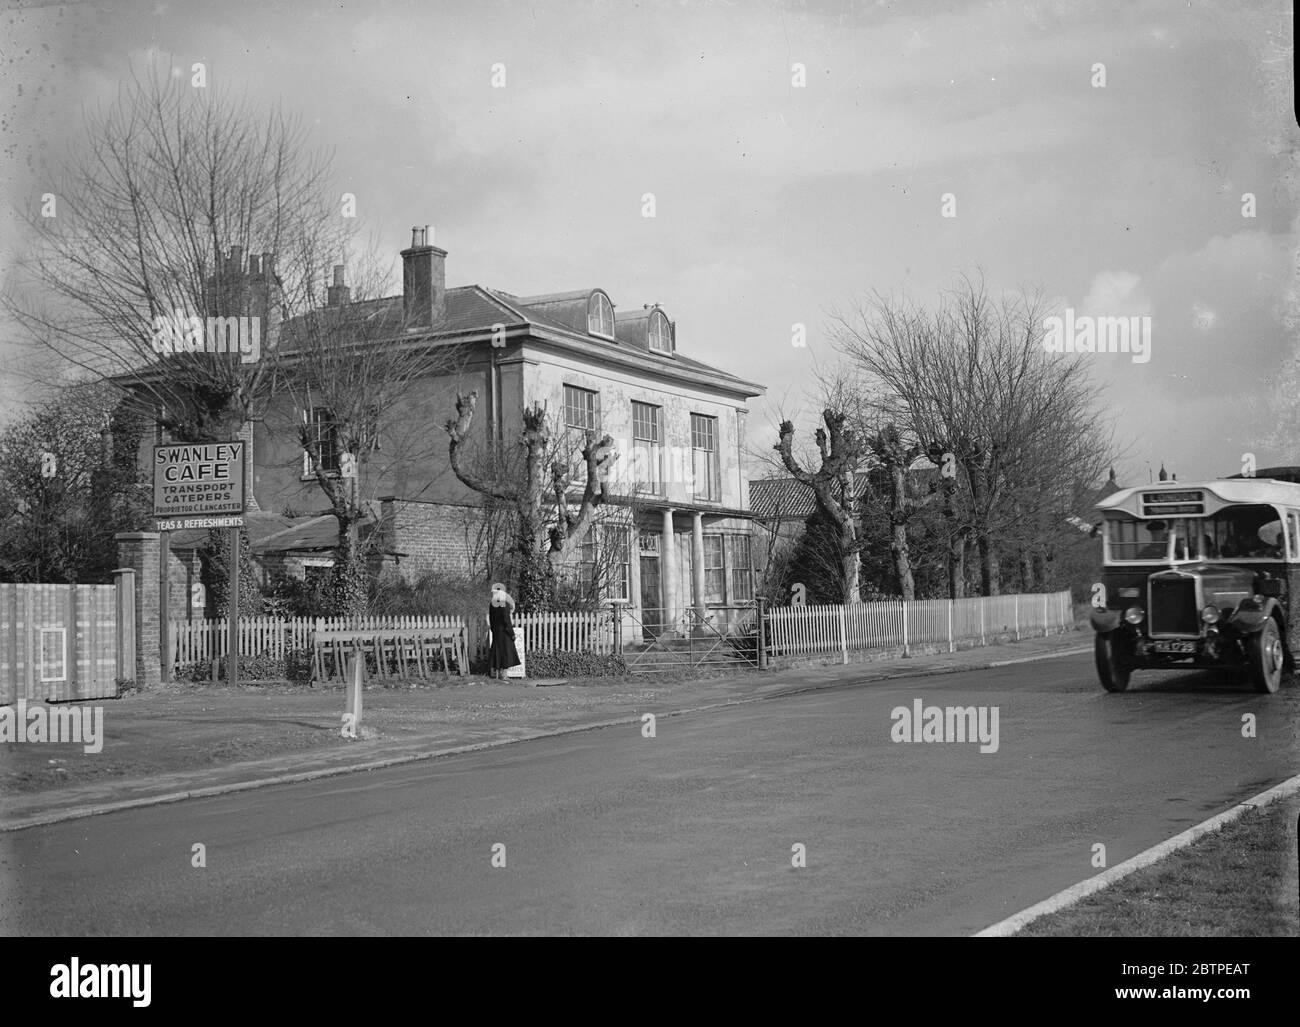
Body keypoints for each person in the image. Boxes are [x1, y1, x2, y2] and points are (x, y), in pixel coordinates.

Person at [487, 582, 521, 680]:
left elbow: (491, 619)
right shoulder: (503, 605)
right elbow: (507, 620)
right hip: (504, 633)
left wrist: (493, 630)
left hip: (496, 632)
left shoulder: (492, 604)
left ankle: (497, 674)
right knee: (506, 653)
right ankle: (504, 675)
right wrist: (512, 633)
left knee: (497, 652)